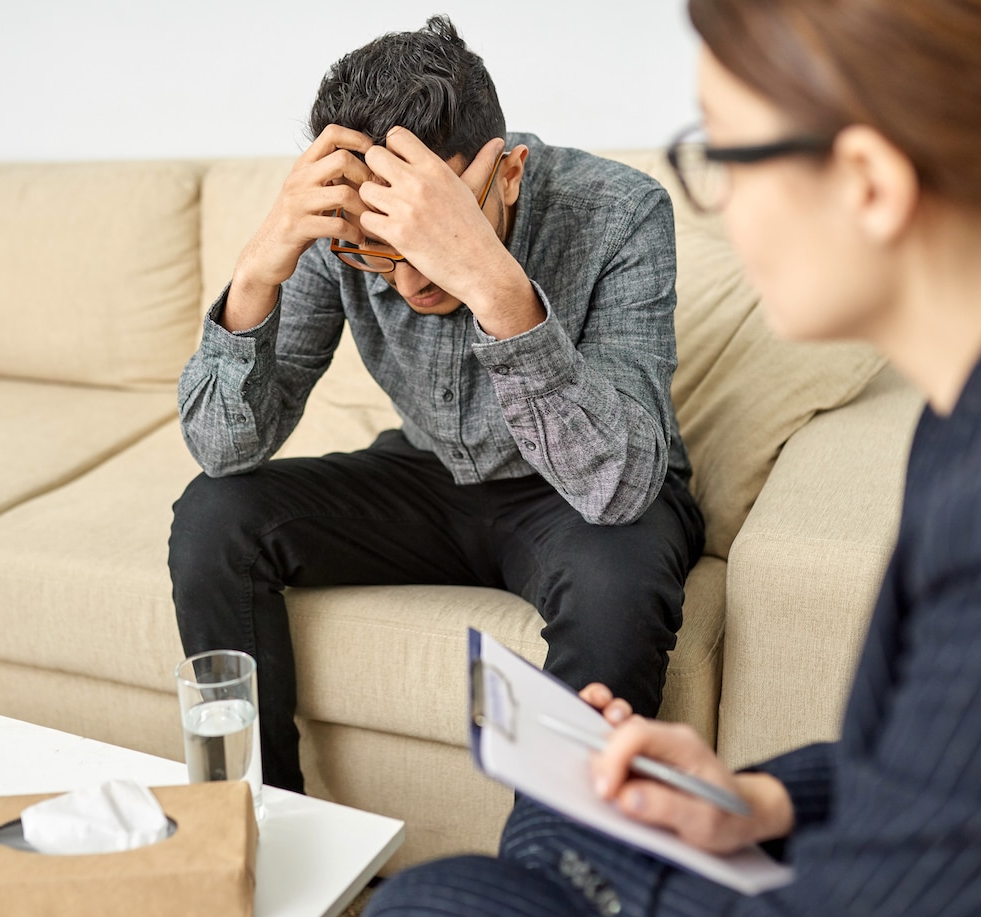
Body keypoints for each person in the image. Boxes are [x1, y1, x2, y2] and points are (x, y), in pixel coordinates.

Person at [360, 0, 981, 917]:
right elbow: (976, 765)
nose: (718, 200)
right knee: (558, 832)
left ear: (868, 182)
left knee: (435, 903)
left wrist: (646, 887)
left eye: (724, 154)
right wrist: (756, 801)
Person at [169, 16, 704, 795]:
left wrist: (492, 280)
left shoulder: (620, 212)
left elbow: (617, 484)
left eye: (434, 236)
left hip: (580, 494)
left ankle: (549, 879)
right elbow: (223, 450)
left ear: (510, 173)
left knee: (618, 584)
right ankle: (257, 823)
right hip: (428, 475)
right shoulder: (337, 227)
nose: (410, 278)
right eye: (378, 249)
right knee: (215, 515)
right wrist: (256, 273)